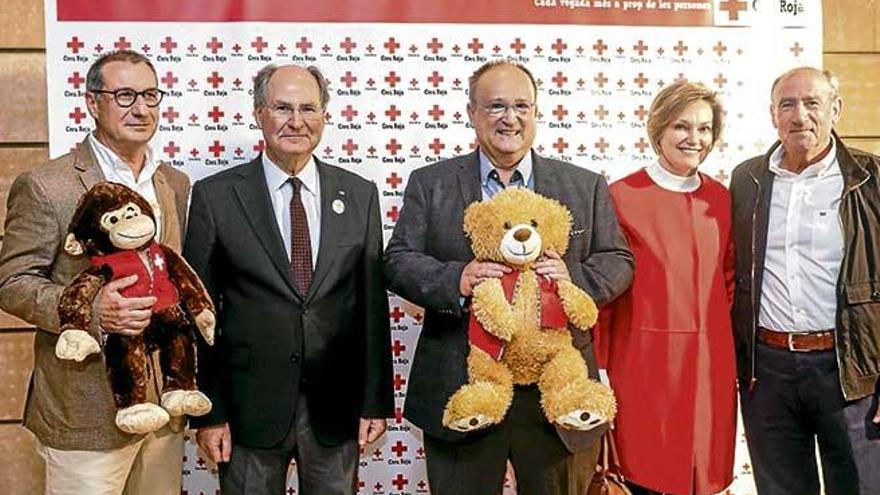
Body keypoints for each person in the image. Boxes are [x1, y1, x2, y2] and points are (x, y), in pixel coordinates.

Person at [383, 60, 634, 495]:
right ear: (472, 113)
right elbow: (398, 260)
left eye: (521, 105)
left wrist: (569, 280)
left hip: (556, 394)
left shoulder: (583, 185)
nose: (510, 118)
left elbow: (618, 260)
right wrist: (456, 278)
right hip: (463, 384)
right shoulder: (431, 183)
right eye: (496, 106)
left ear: (536, 112)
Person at [184, 63, 393, 495]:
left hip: (335, 409)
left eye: (308, 109)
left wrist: (375, 401)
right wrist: (210, 411)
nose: (296, 121)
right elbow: (198, 314)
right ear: (259, 113)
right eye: (282, 107)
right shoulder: (215, 196)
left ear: (325, 116)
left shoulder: (359, 193)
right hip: (246, 412)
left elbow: (372, 307)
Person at [0, 50, 191, 494]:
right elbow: (11, 282)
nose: (140, 108)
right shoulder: (48, 185)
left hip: (163, 410)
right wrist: (91, 310)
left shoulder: (175, 183)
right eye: (124, 95)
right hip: (84, 412)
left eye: (149, 95)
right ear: (91, 102)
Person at [730, 66, 880, 495]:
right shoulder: (747, 179)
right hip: (768, 372)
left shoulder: (871, 179)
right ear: (772, 114)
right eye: (787, 104)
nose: (800, 116)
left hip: (849, 367)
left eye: (812, 103)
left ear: (836, 109)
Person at [598, 81, 736, 495]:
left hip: (711, 367)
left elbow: (729, 281)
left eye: (705, 128)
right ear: (658, 129)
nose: (694, 139)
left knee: (705, 479)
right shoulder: (621, 196)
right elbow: (604, 295)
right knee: (646, 476)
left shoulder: (722, 198)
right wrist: (599, 368)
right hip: (641, 368)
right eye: (681, 126)